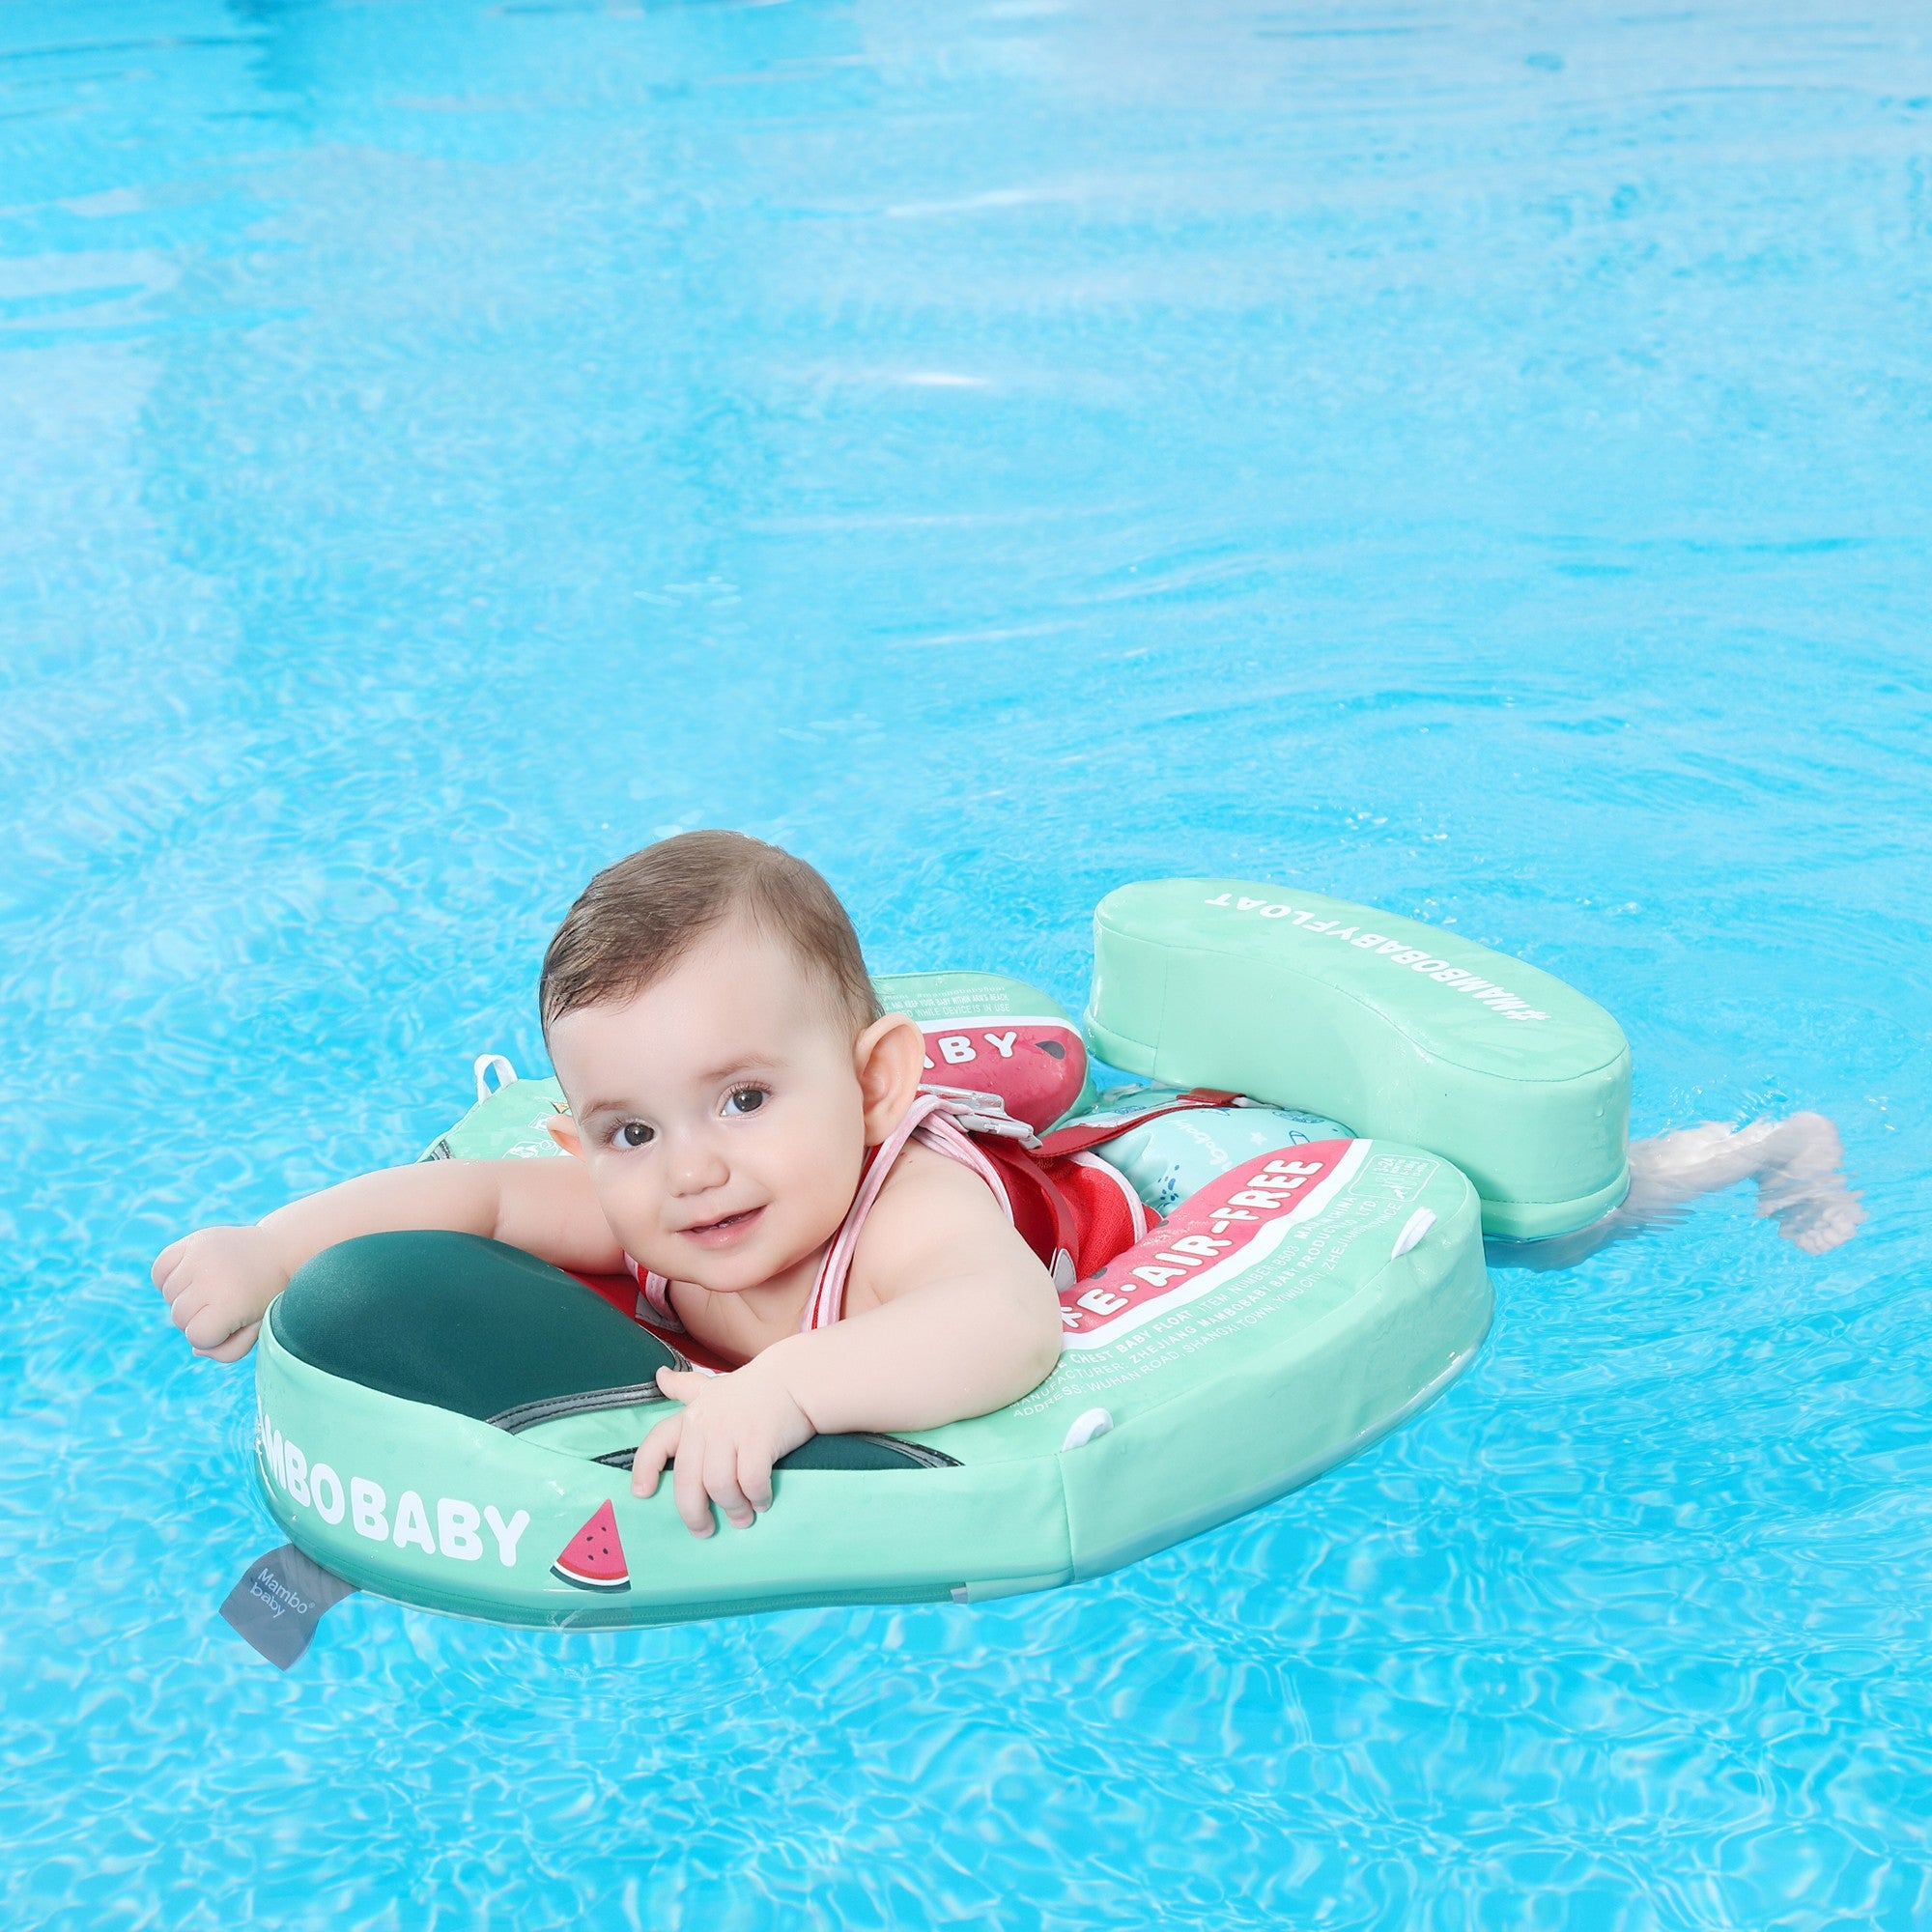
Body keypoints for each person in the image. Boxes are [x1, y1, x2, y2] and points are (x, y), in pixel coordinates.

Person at [154, 833, 1069, 1540]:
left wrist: (787, 1389)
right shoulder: (658, 1201)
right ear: (582, 1144)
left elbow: (1006, 1320)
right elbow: (484, 1198)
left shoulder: (909, 1210)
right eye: (631, 1131)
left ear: (871, 1085)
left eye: (744, 1098)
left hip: (1061, 1218)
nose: (690, 1169)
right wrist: (273, 1248)